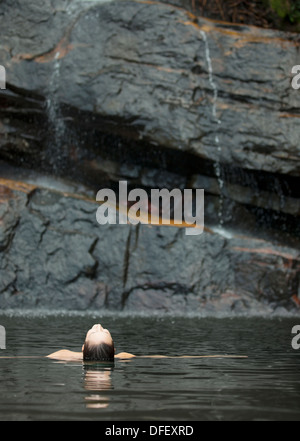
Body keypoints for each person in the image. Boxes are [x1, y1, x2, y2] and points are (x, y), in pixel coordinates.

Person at [47, 323, 247, 362]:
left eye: (96, 330)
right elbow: (167, 357)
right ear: (115, 350)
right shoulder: (123, 357)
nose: (98, 325)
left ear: (82, 349)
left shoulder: (63, 355)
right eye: (101, 330)